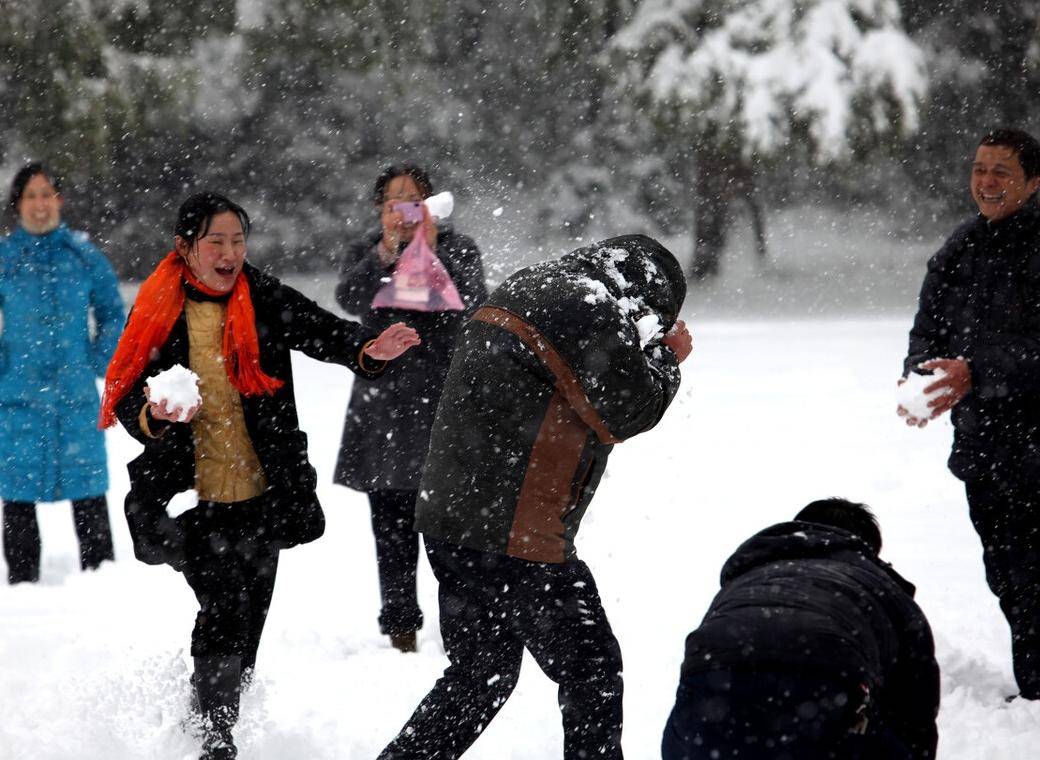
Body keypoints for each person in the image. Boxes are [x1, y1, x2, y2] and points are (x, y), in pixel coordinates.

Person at [100, 192, 419, 760]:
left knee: (247, 627)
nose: (229, 254)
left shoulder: (263, 296)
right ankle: (215, 743)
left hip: (262, 497)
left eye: (238, 241)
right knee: (222, 606)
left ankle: (209, 719)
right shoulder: (158, 309)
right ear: (185, 248)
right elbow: (129, 397)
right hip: (186, 499)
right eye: (215, 242)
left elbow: (324, 331)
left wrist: (370, 347)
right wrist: (154, 415)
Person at [377, 234, 692, 760]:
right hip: (516, 532)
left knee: (481, 674)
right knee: (592, 671)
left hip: (452, 520)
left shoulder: (532, 283)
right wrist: (665, 358)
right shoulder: (588, 307)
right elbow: (627, 410)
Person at [899, 127, 1040, 700]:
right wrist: (922, 380)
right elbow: (927, 329)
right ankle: (1035, 687)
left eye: (1001, 172)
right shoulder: (962, 247)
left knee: (1034, 574)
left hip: (1033, 442)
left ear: (1033, 183)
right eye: (979, 169)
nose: (985, 182)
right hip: (985, 447)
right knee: (1007, 573)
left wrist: (977, 370)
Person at [333, 164, 487, 652]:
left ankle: (462, 628)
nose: (403, 211)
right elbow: (350, 299)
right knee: (391, 521)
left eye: (413, 200)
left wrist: (433, 247)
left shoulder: (458, 247)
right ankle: (400, 627)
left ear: (432, 204)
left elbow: (474, 302)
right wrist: (387, 252)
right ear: (380, 209)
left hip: (443, 397)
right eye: (393, 202)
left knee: (449, 524)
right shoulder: (367, 250)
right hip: (384, 403)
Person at [661, 498, 939, 760]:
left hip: (712, 689)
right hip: (823, 684)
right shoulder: (879, 585)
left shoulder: (750, 577)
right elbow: (914, 711)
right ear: (867, 548)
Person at [0, 163, 124, 584]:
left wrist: (96, 359)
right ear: (18, 204)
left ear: (60, 200)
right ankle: (22, 584)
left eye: (48, 194)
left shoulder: (83, 256)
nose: (40, 204)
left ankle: (101, 580)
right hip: (17, 395)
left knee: (87, 486)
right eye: (32, 195)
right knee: (16, 493)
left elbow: (111, 313)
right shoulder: (5, 259)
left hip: (75, 395)